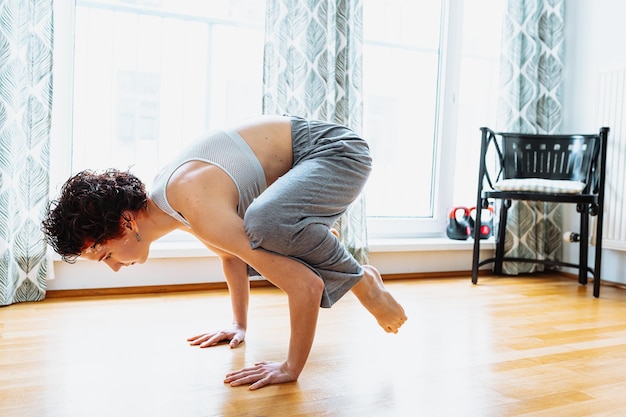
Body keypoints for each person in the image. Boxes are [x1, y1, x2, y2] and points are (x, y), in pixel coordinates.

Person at [42, 115, 407, 390]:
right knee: (261, 229)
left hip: (337, 151)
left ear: (125, 223)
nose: (116, 269)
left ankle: (363, 284)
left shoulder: (191, 202)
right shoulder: (171, 204)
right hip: (305, 165)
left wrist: (290, 368)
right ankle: (332, 249)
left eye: (106, 257)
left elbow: (305, 286)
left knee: (264, 224)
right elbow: (231, 255)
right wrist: (238, 324)